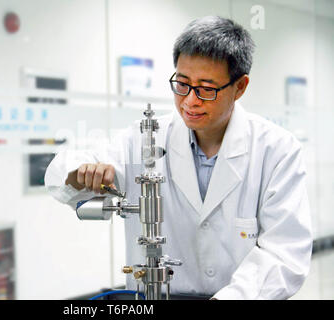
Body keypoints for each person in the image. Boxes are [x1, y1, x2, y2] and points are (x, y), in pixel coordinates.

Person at [44, 16, 312, 300]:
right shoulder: (143, 139)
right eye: (182, 84)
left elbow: (284, 253)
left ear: (240, 87)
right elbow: (66, 172)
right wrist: (79, 173)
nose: (190, 101)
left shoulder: (276, 150)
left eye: (206, 89)